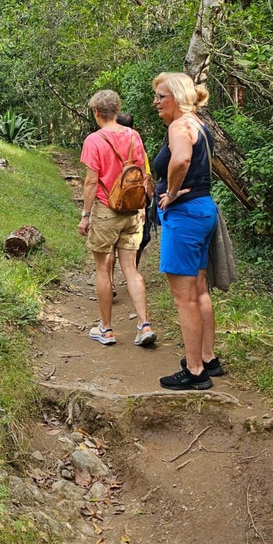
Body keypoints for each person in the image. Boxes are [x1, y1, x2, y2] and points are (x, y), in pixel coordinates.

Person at [151, 72, 224, 390]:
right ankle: (208, 358)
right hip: (203, 210)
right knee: (199, 289)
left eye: (160, 96)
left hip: (185, 216)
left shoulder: (179, 126)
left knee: (185, 298)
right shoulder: (199, 125)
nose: (155, 102)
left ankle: (195, 372)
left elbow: (180, 160)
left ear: (177, 97)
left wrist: (170, 192)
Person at [78, 90, 156, 347]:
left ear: (97, 112)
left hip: (106, 208)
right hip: (132, 210)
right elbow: (144, 174)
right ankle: (144, 325)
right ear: (117, 109)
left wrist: (86, 215)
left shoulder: (94, 140)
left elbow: (91, 182)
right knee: (131, 269)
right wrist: (144, 207)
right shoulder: (134, 136)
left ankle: (106, 329)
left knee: (103, 269)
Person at [116, 111, 153, 268]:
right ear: (134, 127)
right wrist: (149, 200)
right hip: (136, 198)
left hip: (113, 198)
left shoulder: (107, 145)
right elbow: (146, 177)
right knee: (141, 238)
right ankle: (133, 270)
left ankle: (110, 280)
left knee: (112, 240)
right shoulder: (138, 146)